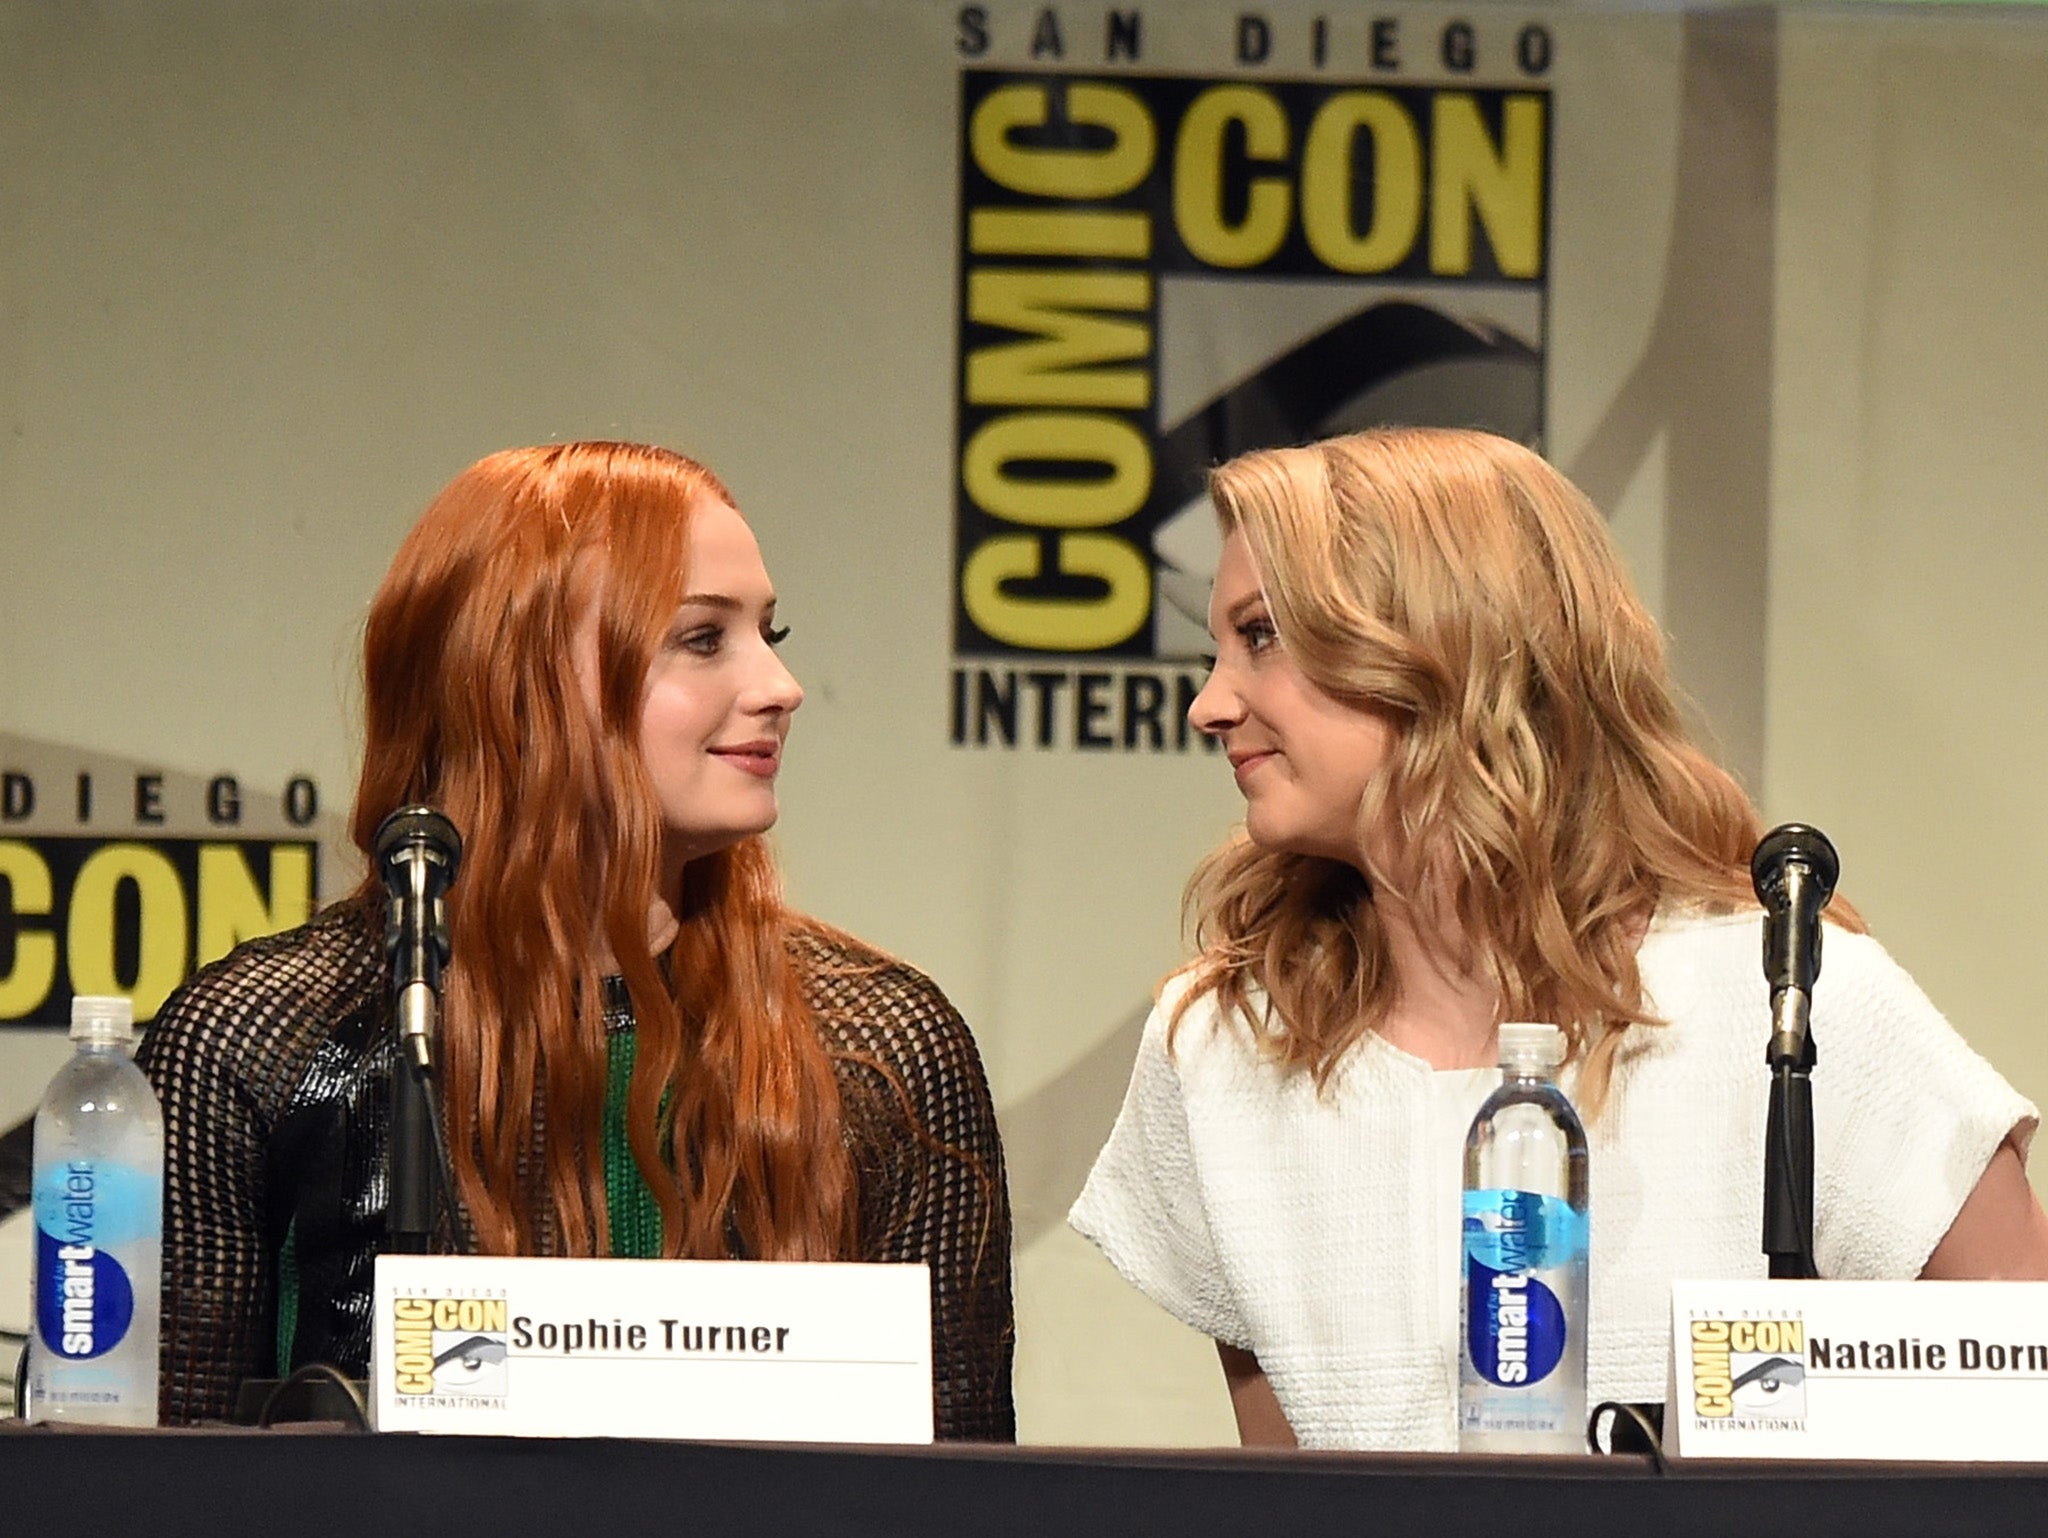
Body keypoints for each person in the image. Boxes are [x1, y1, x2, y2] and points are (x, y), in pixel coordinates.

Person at [1068, 427, 2048, 1451]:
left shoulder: (1787, 1001)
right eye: (1216, 648)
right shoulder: (1221, 1042)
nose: (1208, 703)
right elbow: (1288, 1499)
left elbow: (2022, 1402)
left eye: (1260, 635)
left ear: (1442, 642)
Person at [138, 441, 1014, 1437]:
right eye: (701, 638)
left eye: (768, 631)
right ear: (515, 685)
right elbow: (149, 1482)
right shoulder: (260, 1038)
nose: (781, 684)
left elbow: (968, 1486)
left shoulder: (884, 1042)